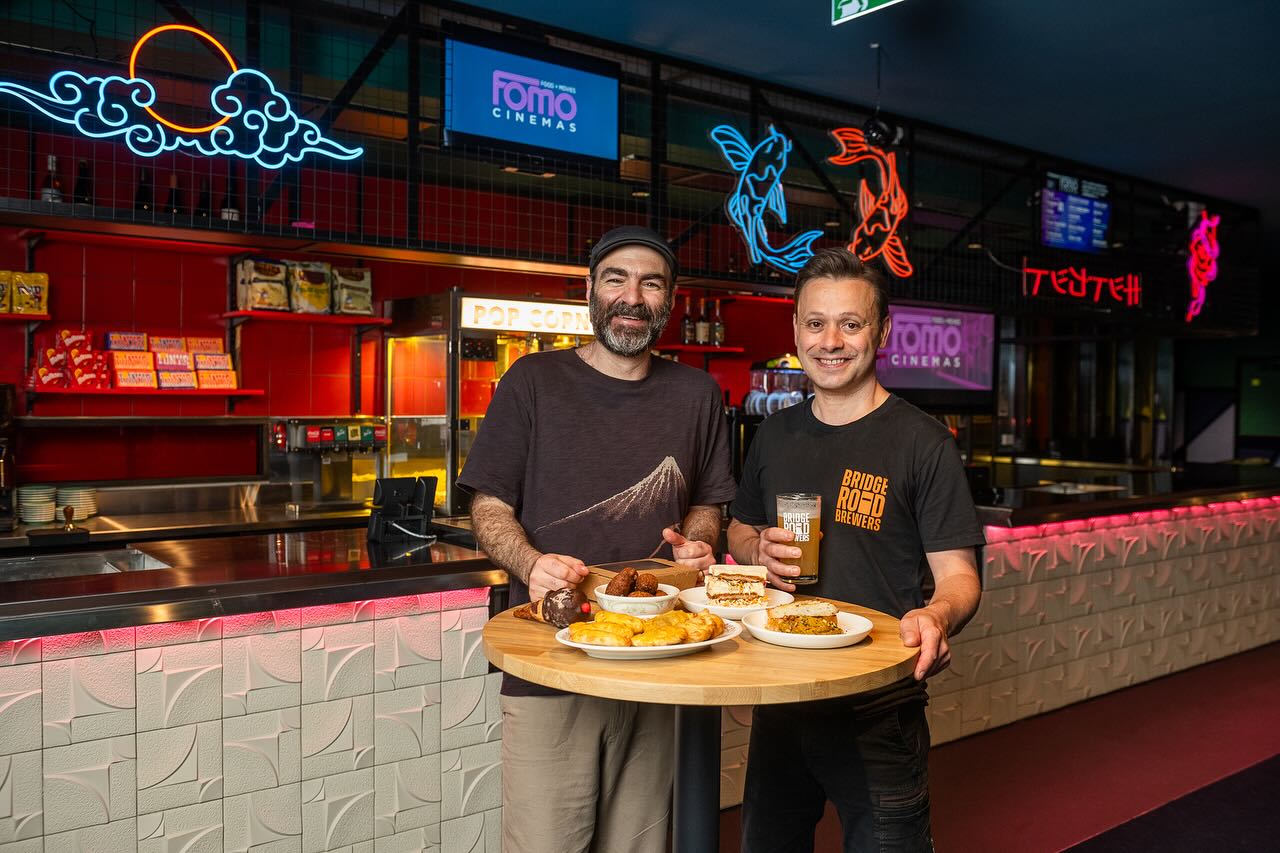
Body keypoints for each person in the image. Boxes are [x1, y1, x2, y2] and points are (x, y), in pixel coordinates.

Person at [458, 225, 736, 853]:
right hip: (551, 664)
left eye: (651, 283)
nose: (632, 296)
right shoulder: (532, 381)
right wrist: (529, 562)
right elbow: (489, 504)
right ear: (590, 290)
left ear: (670, 301)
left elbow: (706, 503)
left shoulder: (698, 394)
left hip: (661, 664)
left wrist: (698, 545)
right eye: (616, 279)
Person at [727, 247, 984, 852]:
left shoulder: (923, 443)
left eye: (851, 323)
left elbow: (959, 576)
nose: (831, 341)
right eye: (815, 323)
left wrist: (937, 614)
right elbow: (737, 530)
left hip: (877, 706)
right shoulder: (774, 433)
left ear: (883, 331)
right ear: (795, 331)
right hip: (781, 694)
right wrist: (754, 546)